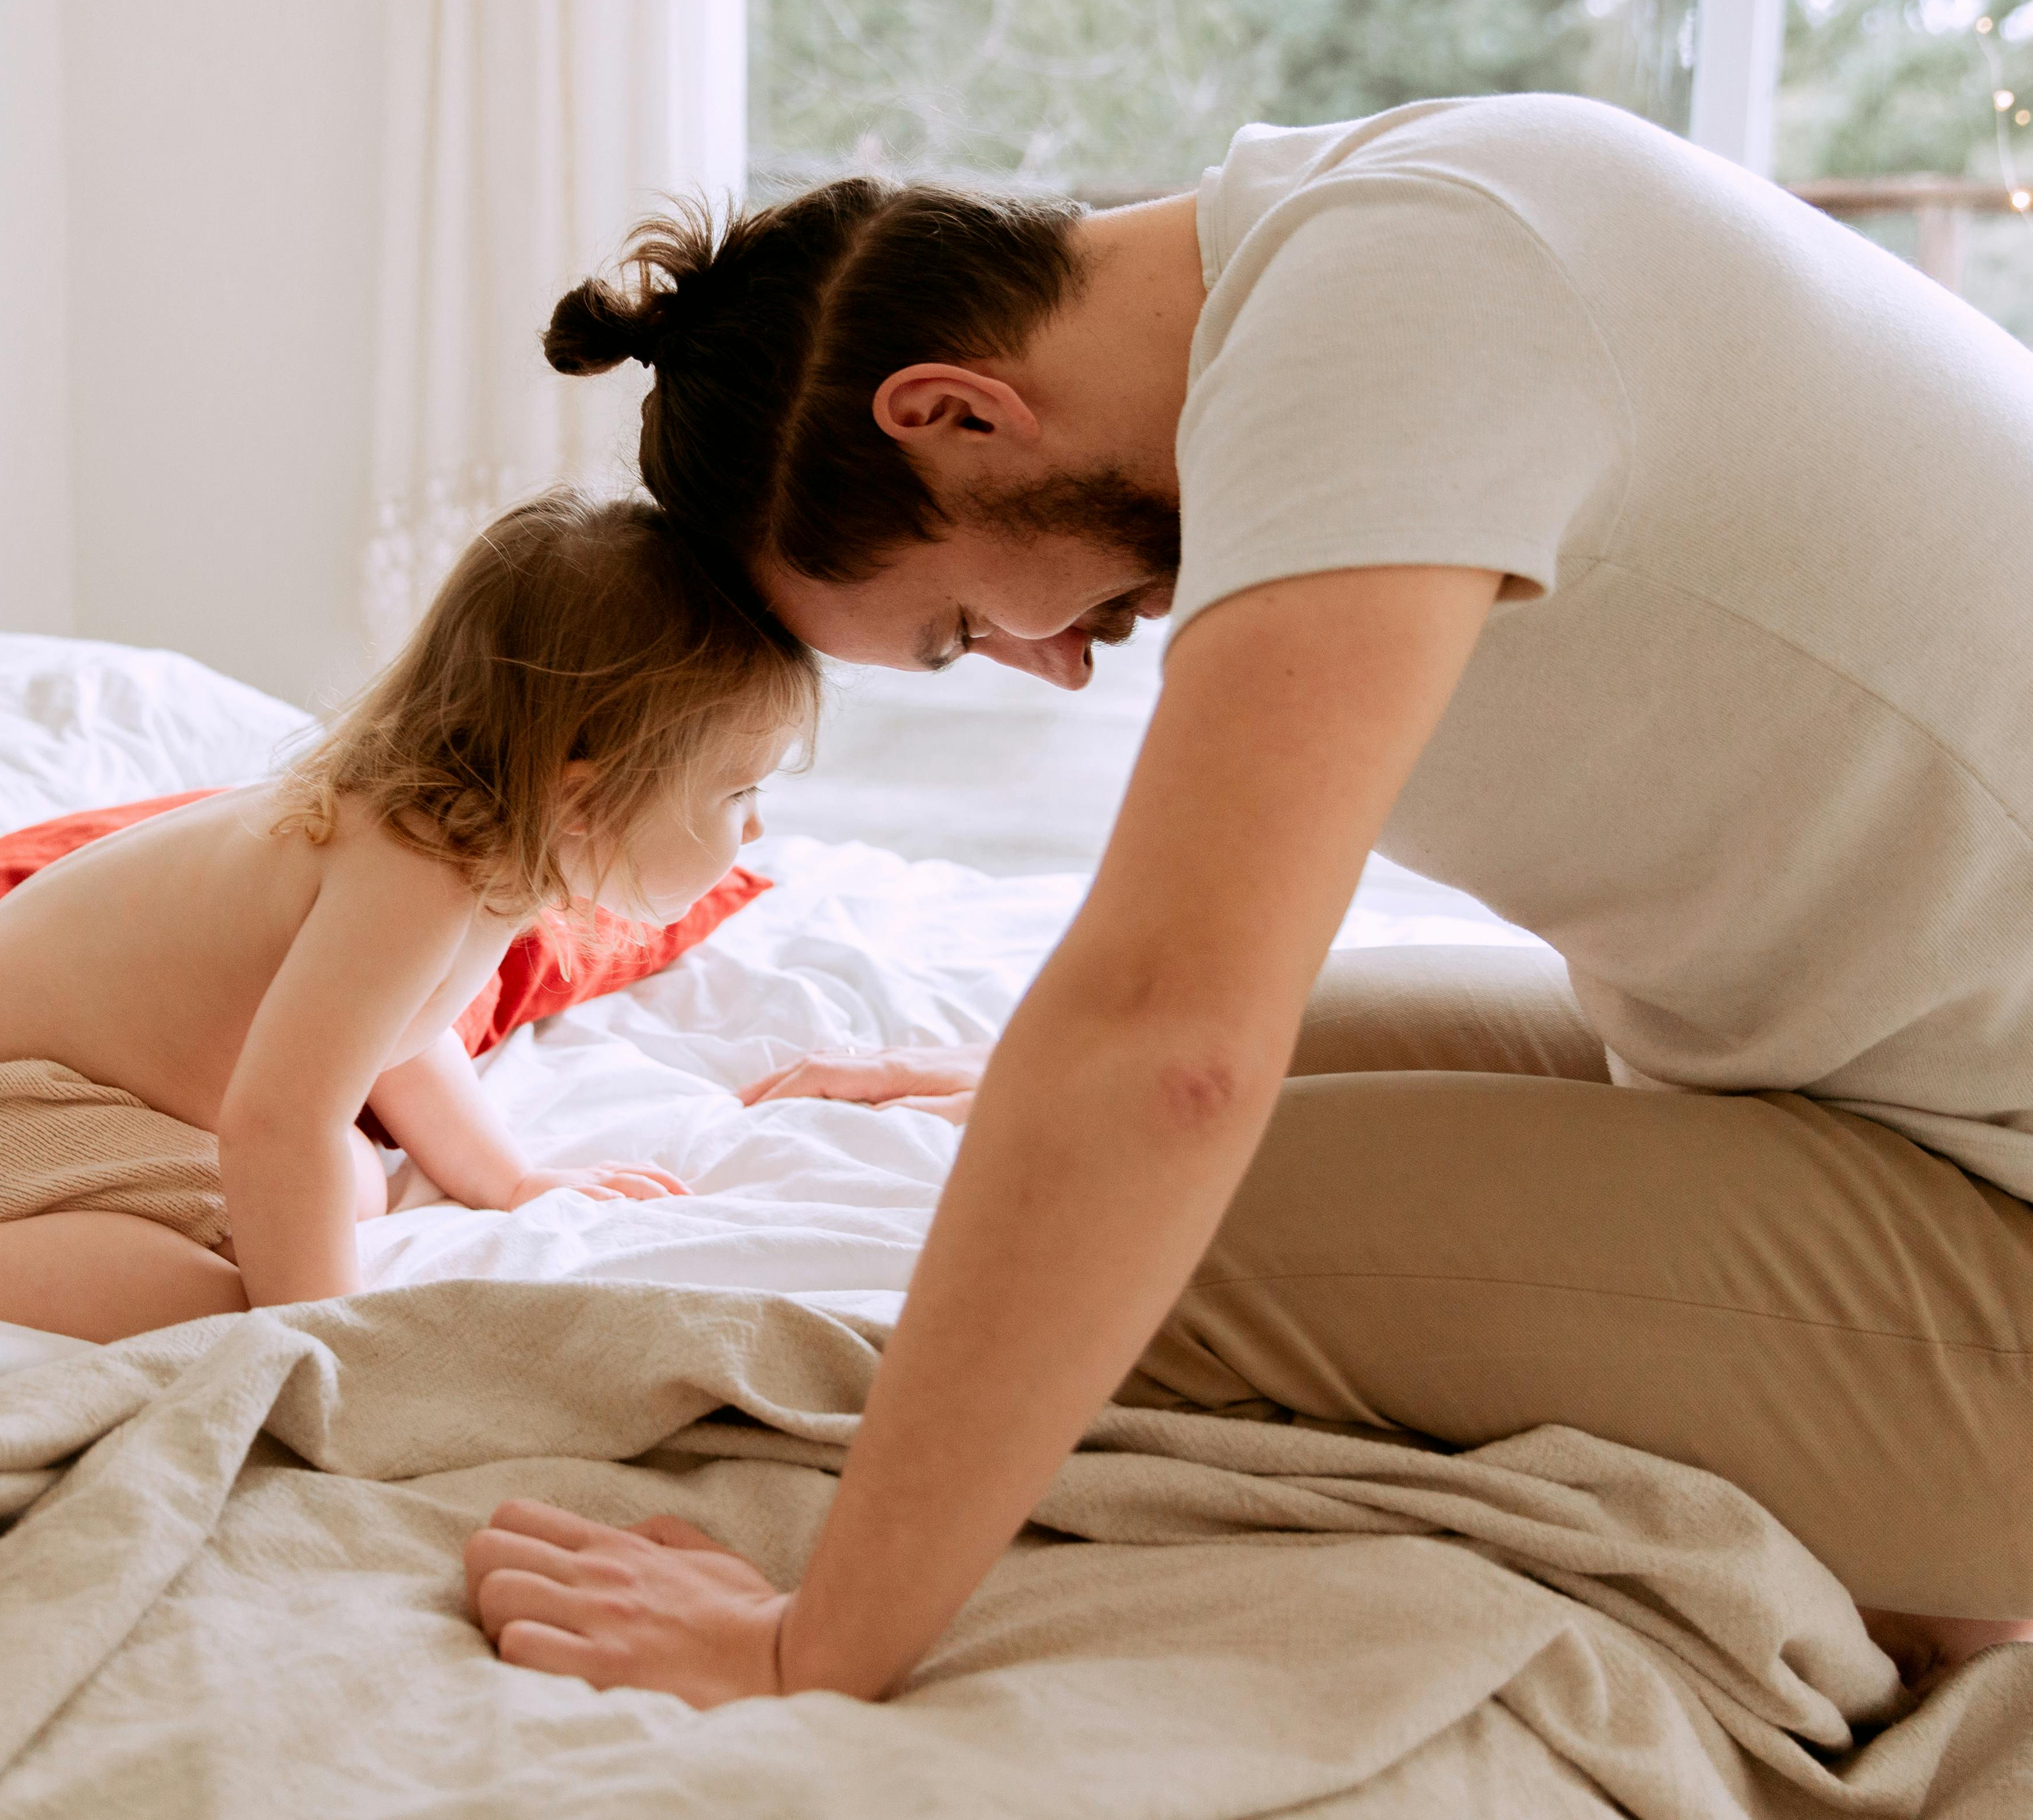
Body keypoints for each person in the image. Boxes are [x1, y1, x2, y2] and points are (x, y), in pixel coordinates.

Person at [462, 94, 2033, 1701]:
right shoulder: (1366, 221)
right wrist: (1035, 1102)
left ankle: (1932, 1542)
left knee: (1177, 1211)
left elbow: (1171, 1051)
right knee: (1117, 1117)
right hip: (1900, 1084)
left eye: (962, 628)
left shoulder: (1393, 324)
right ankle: (1905, 1504)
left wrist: (809, 1644)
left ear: (952, 412)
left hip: (1997, 1204)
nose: (1057, 661)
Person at [0, 491, 816, 1342]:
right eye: (738, 794)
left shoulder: (473, 848)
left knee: (350, 1192)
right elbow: (281, 1124)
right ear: (582, 797)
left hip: (16, 1103)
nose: (757, 826)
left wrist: (511, 1183)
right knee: (233, 1293)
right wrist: (329, 1341)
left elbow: (396, 1040)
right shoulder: (413, 871)